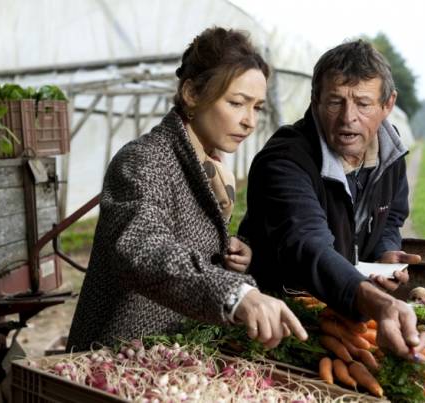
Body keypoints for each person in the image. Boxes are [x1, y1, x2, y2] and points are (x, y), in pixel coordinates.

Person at [67, 27, 308, 352]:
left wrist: (230, 255)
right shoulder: (144, 160)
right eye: (237, 103)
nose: (249, 121)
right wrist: (235, 293)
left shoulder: (212, 167)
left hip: (174, 350)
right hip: (121, 354)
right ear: (192, 93)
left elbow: (186, 240)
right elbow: (142, 246)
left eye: (257, 107)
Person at [238, 39, 425, 361]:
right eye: (335, 102)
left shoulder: (390, 157)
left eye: (363, 104)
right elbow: (306, 243)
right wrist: (378, 303)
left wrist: (383, 253)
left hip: (343, 317)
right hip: (276, 323)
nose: (348, 118)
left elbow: (391, 216)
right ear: (315, 102)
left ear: (388, 104)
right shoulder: (285, 160)